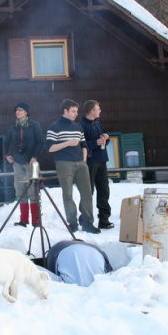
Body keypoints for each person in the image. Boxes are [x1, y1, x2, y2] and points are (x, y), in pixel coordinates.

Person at [46, 99, 100, 234]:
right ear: (65, 111)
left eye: (76, 111)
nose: (76, 114)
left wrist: (83, 161)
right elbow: (50, 148)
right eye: (73, 111)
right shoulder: (54, 127)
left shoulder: (78, 127)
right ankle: (73, 223)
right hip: (64, 163)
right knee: (68, 194)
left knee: (87, 193)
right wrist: (68, 143)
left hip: (81, 163)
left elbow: (84, 145)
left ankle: (88, 223)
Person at [4, 102, 44, 227]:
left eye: (20, 109)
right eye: (16, 110)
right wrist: (7, 155)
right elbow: (6, 143)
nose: (18, 111)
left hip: (33, 162)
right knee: (21, 191)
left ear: (26, 112)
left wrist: (35, 156)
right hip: (17, 163)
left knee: (34, 190)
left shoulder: (34, 125)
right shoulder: (12, 128)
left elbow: (41, 143)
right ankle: (24, 220)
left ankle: (36, 220)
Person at [80, 100, 114, 229]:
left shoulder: (98, 122)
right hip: (89, 162)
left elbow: (105, 140)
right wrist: (96, 142)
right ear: (91, 111)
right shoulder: (81, 125)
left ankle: (103, 219)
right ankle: (84, 218)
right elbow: (80, 144)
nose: (100, 111)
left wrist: (106, 137)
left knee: (104, 190)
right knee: (88, 191)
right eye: (98, 109)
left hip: (102, 160)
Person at [45, 240, 112, 286]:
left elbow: (50, 269)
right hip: (97, 286)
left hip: (68, 288)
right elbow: (109, 271)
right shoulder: (96, 248)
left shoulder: (60, 245)